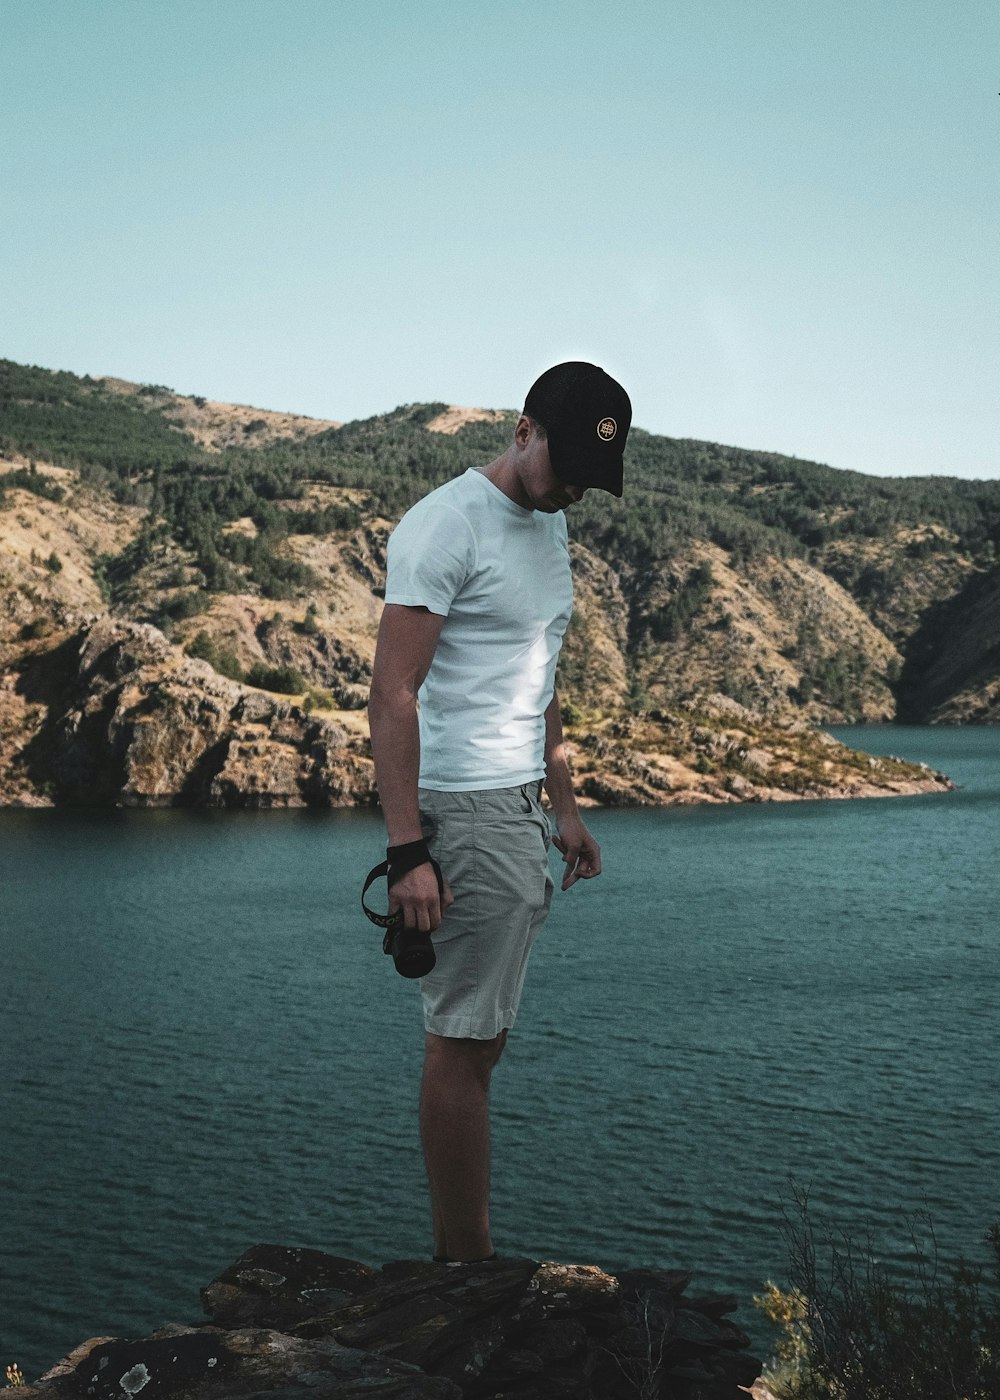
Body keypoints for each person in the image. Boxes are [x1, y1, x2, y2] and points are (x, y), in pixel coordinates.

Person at [368, 361, 632, 1263]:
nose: (570, 494)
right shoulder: (447, 524)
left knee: (482, 1042)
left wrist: (562, 805)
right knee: (462, 1045)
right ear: (523, 431)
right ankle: (465, 1269)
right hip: (464, 807)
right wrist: (409, 851)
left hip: (517, 806)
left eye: (588, 485)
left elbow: (540, 676)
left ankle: (465, 1261)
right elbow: (393, 694)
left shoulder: (548, 525)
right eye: (563, 468)